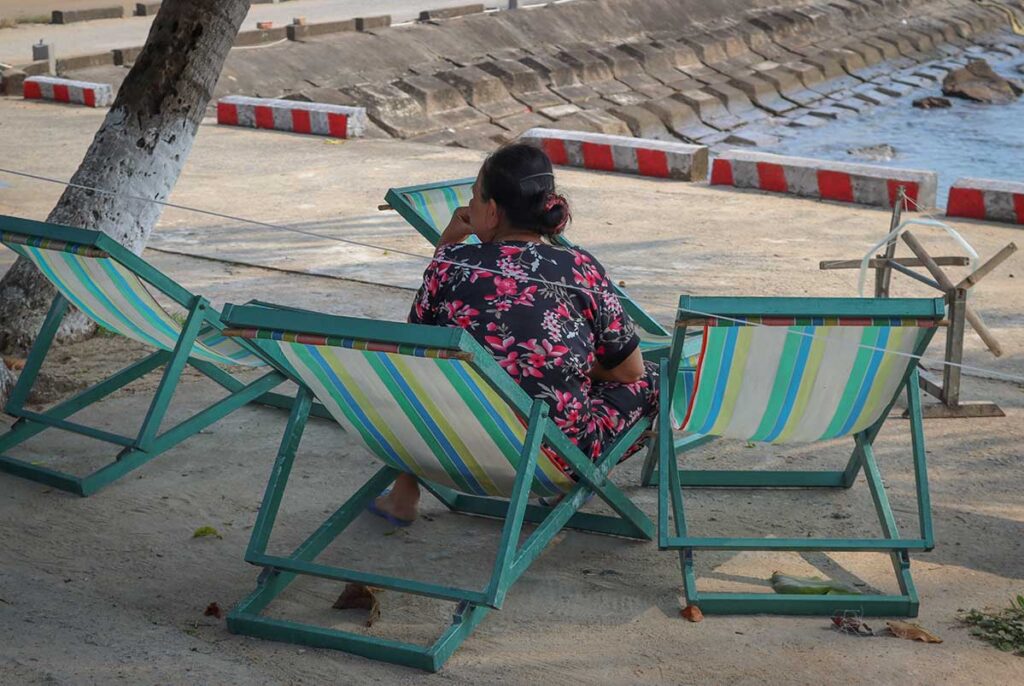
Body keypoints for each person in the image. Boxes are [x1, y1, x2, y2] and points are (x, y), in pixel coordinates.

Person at [370, 143, 658, 526]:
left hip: (446, 441)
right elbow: (630, 372)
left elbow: (419, 348)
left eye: (473, 198)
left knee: (435, 378)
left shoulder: (450, 263)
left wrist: (447, 245)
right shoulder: (577, 268)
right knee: (652, 380)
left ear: (490, 211)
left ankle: (404, 494)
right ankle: (565, 490)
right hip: (550, 457)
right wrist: (561, 364)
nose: (468, 208)